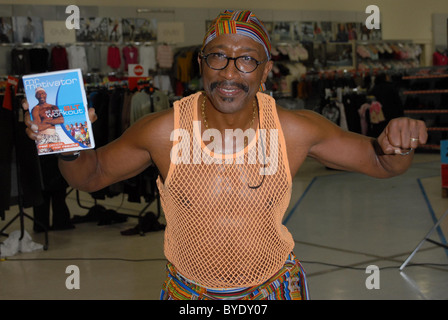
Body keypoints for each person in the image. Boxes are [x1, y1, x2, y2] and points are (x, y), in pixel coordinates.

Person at [25, 10, 427, 300]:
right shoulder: (163, 130)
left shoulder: (294, 129)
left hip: (273, 290)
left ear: (266, 70)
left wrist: (399, 142)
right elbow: (90, 177)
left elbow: (380, 163)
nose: (230, 72)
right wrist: (70, 146)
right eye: (218, 56)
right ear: (202, 63)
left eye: (247, 59)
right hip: (189, 297)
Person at [31, 87, 65, 154]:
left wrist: (46, 121)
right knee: (44, 158)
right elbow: (39, 127)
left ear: (46, 94)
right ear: (36, 96)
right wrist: (54, 122)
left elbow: (61, 120)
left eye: (42, 93)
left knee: (60, 155)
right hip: (42, 136)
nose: (41, 96)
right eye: (38, 94)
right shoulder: (36, 109)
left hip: (54, 135)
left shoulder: (53, 106)